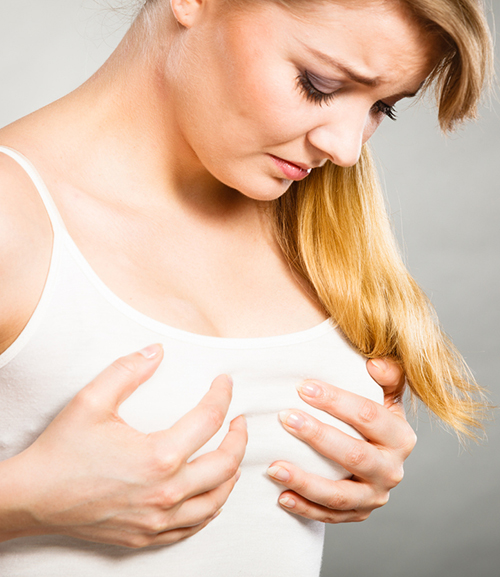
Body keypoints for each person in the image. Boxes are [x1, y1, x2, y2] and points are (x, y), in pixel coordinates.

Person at [0, 0, 492, 575]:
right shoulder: (14, 219)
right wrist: (25, 502)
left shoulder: (317, 229)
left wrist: (362, 456)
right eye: (319, 84)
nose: (347, 148)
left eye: (381, 106)